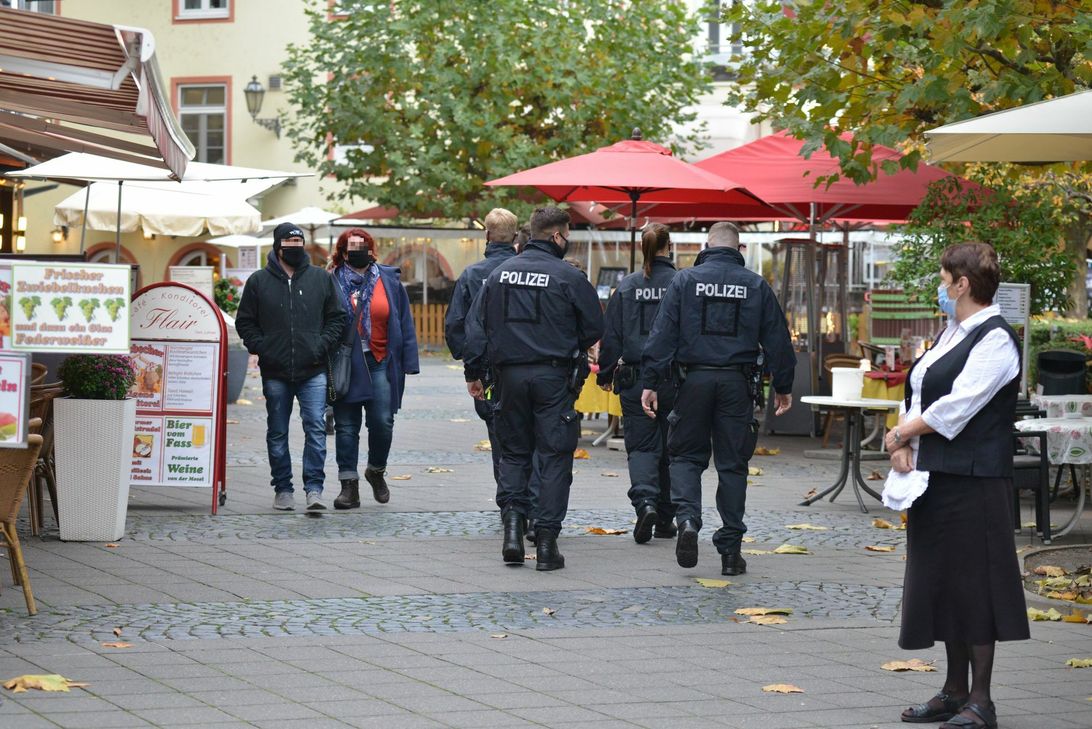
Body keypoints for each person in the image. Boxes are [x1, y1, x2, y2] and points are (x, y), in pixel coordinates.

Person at [883, 242, 1028, 729]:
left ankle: (981, 701)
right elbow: (919, 391)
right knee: (943, 583)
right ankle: (953, 691)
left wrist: (904, 432)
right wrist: (901, 442)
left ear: (963, 284)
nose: (940, 287)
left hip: (976, 480)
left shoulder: (995, 339)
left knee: (975, 586)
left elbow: (958, 406)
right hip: (933, 477)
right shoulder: (950, 333)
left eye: (944, 279)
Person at [641, 222, 795, 575]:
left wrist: (650, 381)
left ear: (706, 244)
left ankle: (688, 521)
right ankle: (730, 550)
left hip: (691, 381)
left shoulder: (684, 280)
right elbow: (777, 341)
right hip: (736, 385)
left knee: (684, 455)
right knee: (733, 465)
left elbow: (662, 334)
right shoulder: (755, 284)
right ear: (739, 249)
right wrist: (783, 386)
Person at [464, 206, 604, 570]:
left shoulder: (498, 274)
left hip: (508, 377)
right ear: (557, 236)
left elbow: (476, 327)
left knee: (513, 452)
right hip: (554, 379)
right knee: (554, 455)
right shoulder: (568, 277)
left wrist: (474, 372)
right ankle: (546, 542)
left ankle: (513, 526)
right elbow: (593, 328)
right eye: (567, 235)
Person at [235, 223, 346, 511]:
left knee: (316, 429)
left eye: (299, 240)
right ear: (277, 244)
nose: (295, 245)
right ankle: (283, 488)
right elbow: (244, 322)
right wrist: (263, 347)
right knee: (277, 431)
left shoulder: (320, 278)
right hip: (275, 371)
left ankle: (314, 489)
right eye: (289, 240)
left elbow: (337, 318)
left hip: (314, 369)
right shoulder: (259, 281)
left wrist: (321, 345)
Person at [597, 223, 679, 543]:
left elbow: (612, 335)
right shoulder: (681, 283)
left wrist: (605, 374)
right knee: (672, 448)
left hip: (634, 378)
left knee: (642, 447)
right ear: (668, 247)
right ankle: (666, 516)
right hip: (673, 379)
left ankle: (645, 504)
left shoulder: (628, 287)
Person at [327, 228, 420, 509]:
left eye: (363, 246)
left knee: (382, 421)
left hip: (379, 360)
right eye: (352, 247)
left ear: (372, 250)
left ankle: (376, 470)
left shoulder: (389, 280)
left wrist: (409, 361)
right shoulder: (330, 282)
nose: (358, 251)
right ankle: (348, 486)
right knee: (346, 426)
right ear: (343, 252)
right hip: (346, 363)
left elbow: (404, 321)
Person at [444, 208, 519, 496]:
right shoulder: (526, 270)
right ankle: (532, 503)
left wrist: (469, 365)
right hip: (528, 365)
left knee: (499, 434)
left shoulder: (473, 275)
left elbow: (456, 324)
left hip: (489, 371)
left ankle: (510, 503)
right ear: (515, 236)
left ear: (486, 235)